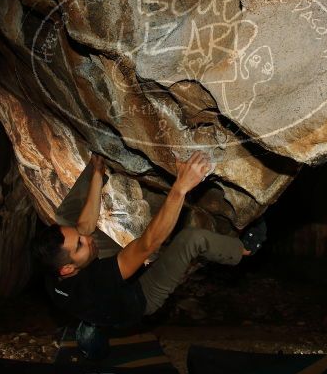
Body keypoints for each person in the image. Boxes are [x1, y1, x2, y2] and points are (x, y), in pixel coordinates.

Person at [31, 151, 267, 358]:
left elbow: (83, 227)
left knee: (65, 218)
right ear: (68, 270)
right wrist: (181, 187)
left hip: (94, 296)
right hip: (140, 297)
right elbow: (148, 244)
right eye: (81, 245)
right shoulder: (97, 281)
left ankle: (94, 322)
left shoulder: (53, 268)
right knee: (192, 239)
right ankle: (242, 250)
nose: (87, 238)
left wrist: (96, 173)